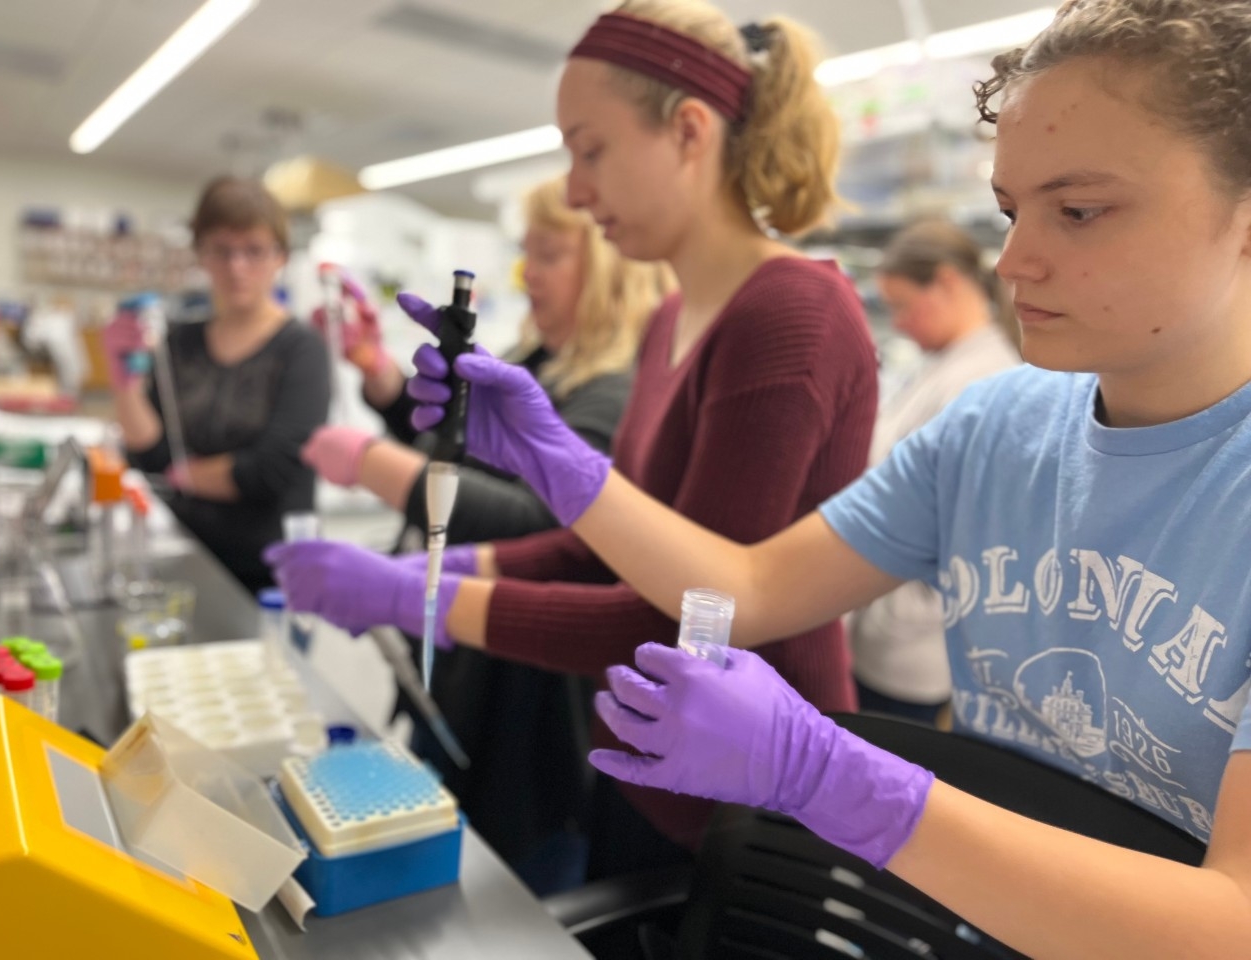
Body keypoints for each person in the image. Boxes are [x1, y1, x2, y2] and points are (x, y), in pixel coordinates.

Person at [356, 0, 1251, 953]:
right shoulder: (995, 429)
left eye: (1079, 211)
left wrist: (833, 777)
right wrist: (560, 464)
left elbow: (1232, 920)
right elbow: (749, 587)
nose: (1012, 261)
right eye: (1008, 211)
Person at [267, 0, 879, 878]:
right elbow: (612, 553)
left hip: (749, 810)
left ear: (689, 132)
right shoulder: (671, 317)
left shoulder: (791, 313)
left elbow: (685, 620)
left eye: (591, 151)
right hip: (644, 761)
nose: (580, 190)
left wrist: (423, 600)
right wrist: (451, 564)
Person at [299, 175, 670, 893]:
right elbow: (456, 455)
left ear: (607, 268)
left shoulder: (614, 392)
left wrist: (375, 465)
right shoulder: (536, 363)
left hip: (532, 709)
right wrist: (380, 376)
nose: (529, 274)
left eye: (550, 255)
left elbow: (542, 525)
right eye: (527, 254)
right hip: (467, 672)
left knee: (504, 886)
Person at [106, 176, 329, 593]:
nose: (236, 267)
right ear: (201, 254)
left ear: (280, 256)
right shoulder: (180, 341)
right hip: (185, 556)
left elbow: (270, 471)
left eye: (254, 251)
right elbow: (149, 453)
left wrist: (180, 474)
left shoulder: (302, 349)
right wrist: (123, 383)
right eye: (222, 250)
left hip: (271, 573)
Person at [849, 221, 1020, 723]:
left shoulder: (983, 381)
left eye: (903, 306)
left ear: (946, 282)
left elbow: (968, 537)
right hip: (881, 629)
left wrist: (905, 611)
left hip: (909, 646)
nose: (898, 324)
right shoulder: (942, 364)